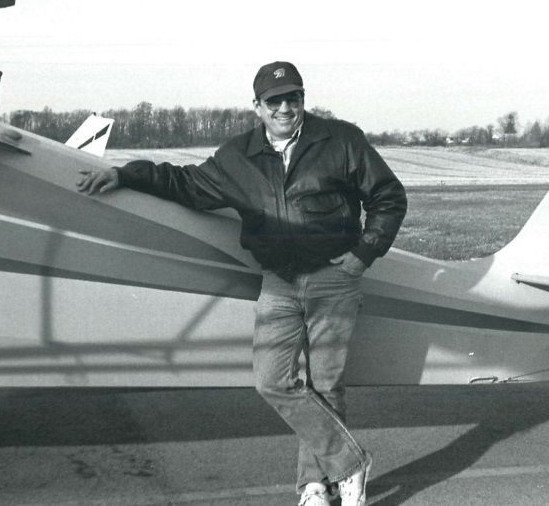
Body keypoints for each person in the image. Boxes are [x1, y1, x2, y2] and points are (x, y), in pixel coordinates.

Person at [77, 61, 407, 506]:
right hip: (279, 281)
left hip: (334, 278)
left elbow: (388, 197)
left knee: (325, 385)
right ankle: (351, 464)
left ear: (303, 99)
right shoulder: (238, 157)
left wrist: (363, 254)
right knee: (272, 381)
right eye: (275, 101)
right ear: (257, 107)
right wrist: (125, 174)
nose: (285, 108)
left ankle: (314, 488)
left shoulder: (341, 140)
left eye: (294, 98)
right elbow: (186, 183)